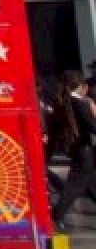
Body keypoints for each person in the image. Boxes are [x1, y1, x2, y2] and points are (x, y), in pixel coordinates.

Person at [52, 71, 96, 231]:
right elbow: (92, 126)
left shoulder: (64, 102)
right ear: (81, 86)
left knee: (91, 184)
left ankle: (57, 215)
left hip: (77, 149)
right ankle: (57, 215)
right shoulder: (80, 104)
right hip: (84, 150)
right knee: (75, 186)